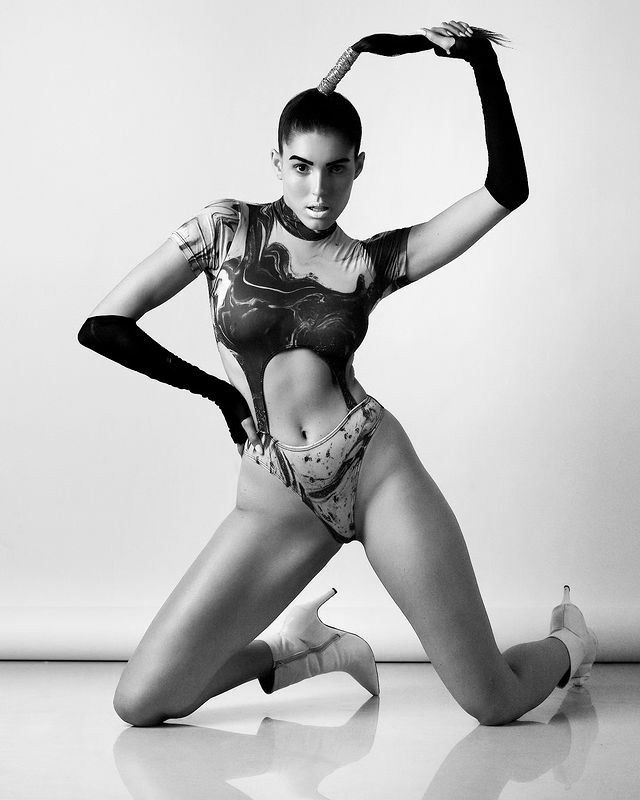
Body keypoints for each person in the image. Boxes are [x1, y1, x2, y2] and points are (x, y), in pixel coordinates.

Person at [77, 20, 597, 728]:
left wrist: (479, 61)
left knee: (494, 701)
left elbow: (506, 189)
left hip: (375, 473)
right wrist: (221, 394)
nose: (318, 188)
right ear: (276, 160)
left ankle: (573, 641)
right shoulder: (224, 229)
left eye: (337, 169)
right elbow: (103, 325)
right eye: (301, 166)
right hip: (277, 494)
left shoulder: (372, 262)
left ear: (358, 166)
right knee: (141, 701)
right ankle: (300, 648)